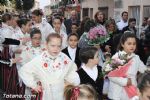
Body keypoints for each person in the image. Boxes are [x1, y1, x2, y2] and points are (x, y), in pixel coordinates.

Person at [19, 33, 80, 100]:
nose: (56, 49)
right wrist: (34, 85)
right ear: (46, 45)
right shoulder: (40, 59)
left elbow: (72, 68)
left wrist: (69, 81)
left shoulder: (63, 57)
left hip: (61, 91)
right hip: (47, 92)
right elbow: (24, 70)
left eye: (59, 46)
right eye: (53, 46)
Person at [108, 31, 147, 100]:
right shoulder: (117, 57)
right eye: (129, 44)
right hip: (117, 94)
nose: (132, 46)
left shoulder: (136, 57)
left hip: (131, 92)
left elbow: (144, 69)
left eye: (134, 44)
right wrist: (125, 82)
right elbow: (110, 75)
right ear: (122, 44)